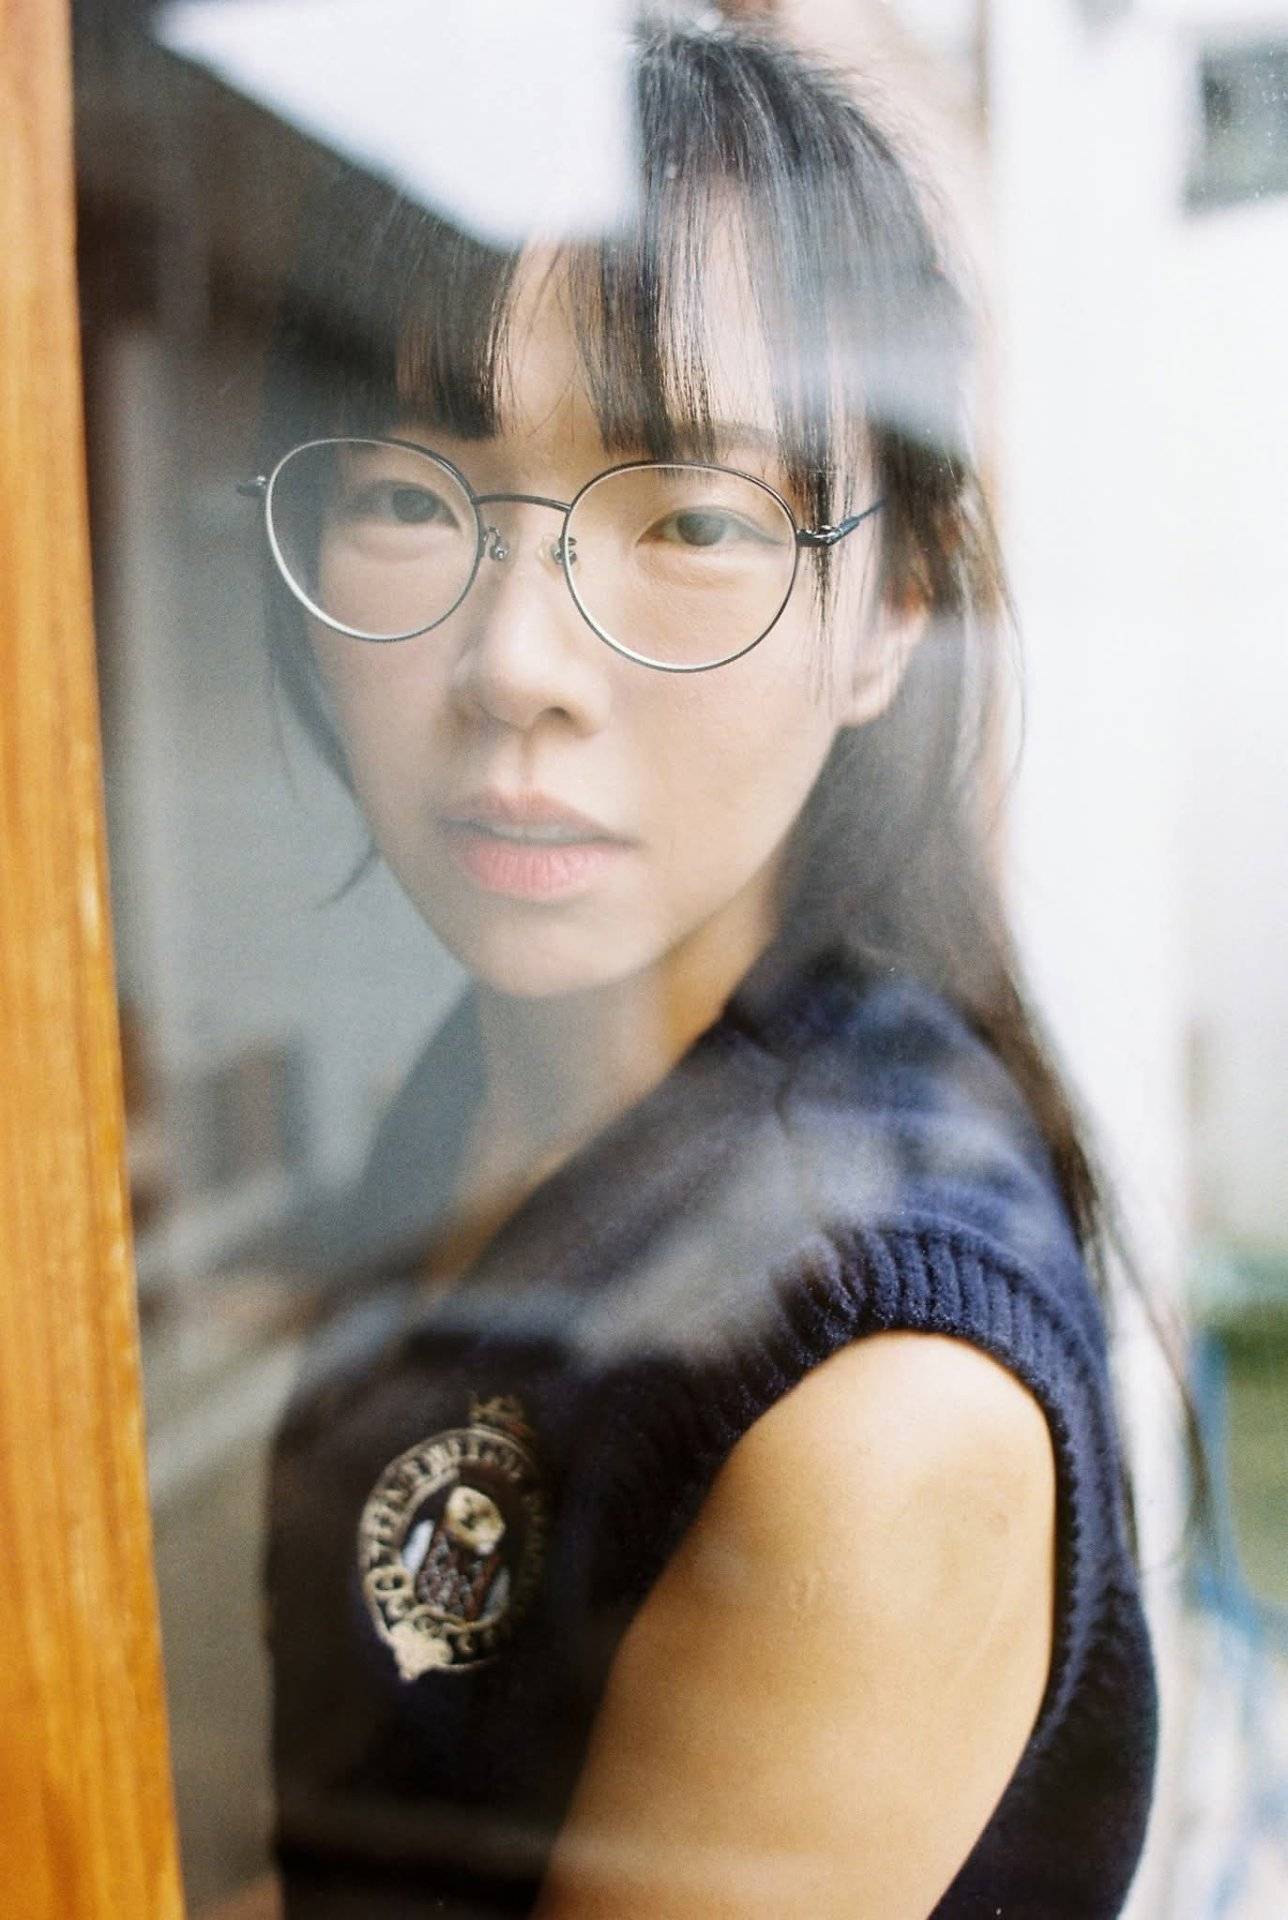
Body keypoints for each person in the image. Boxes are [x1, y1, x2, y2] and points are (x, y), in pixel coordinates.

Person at [248, 18, 1157, 1919]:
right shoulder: (516, 1068)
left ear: (894, 609)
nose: (517, 664)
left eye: (692, 520)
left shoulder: (879, 1408)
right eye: (412, 497)